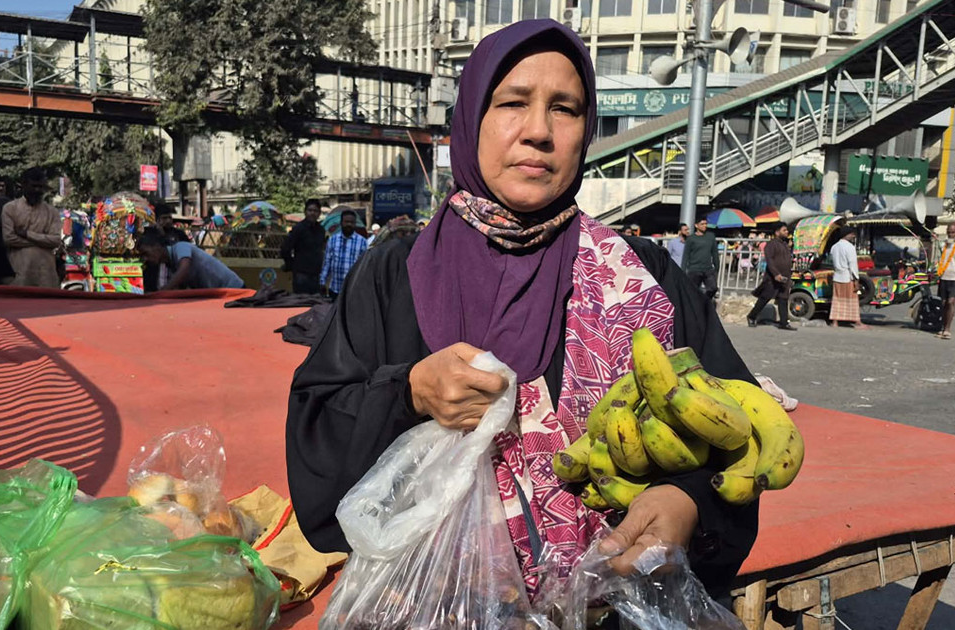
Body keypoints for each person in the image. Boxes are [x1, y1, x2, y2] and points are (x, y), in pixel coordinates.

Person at [285, 20, 757, 603]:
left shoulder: (643, 276)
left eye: (565, 109)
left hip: (609, 606)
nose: (539, 132)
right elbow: (319, 441)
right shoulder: (393, 274)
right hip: (429, 607)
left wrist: (689, 502)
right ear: (470, 121)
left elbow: (736, 431)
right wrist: (406, 393)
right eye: (512, 103)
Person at [2, 167, 62, 288]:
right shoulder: (10, 208)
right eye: (33, 186)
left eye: (40, 187)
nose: (37, 190)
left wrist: (27, 234)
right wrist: (42, 242)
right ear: (23, 185)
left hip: (46, 275)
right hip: (19, 273)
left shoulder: (52, 212)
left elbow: (55, 240)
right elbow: (9, 239)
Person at [136, 230, 244, 290]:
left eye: (146, 253)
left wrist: (163, 291)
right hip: (217, 292)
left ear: (157, 246)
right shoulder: (170, 265)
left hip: (233, 288)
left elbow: (184, 269)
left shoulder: (181, 247)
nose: (146, 259)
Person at [747, 223, 796, 330]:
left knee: (783, 299)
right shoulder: (771, 245)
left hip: (784, 277)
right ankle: (752, 316)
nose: (787, 232)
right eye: (784, 230)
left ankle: (784, 323)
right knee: (765, 298)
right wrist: (776, 274)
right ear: (777, 232)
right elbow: (770, 261)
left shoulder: (784, 245)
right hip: (773, 277)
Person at [280, 199, 326, 294]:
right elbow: (285, 248)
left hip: (316, 275)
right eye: (310, 210)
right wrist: (291, 265)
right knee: (301, 303)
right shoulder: (298, 229)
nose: (312, 213)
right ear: (305, 212)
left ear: (319, 213)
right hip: (301, 275)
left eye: (315, 211)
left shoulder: (321, 230)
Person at [319, 209, 368, 298]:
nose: (349, 224)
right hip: (335, 289)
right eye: (346, 222)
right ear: (341, 223)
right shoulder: (332, 240)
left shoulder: (363, 242)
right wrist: (322, 282)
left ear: (355, 224)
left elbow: (365, 266)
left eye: (352, 222)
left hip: (354, 290)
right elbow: (327, 263)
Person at [828, 226, 867, 329]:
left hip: (837, 277)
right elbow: (853, 264)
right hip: (847, 277)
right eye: (852, 234)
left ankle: (835, 322)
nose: (853, 236)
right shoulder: (849, 247)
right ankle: (857, 322)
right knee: (852, 300)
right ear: (847, 234)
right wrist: (856, 280)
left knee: (837, 300)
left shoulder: (834, 247)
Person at [682, 216, 720, 300]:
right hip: (694, 269)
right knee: (692, 291)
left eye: (706, 224)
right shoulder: (691, 238)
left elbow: (714, 252)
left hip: (708, 269)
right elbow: (686, 255)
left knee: (713, 288)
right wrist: (683, 270)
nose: (704, 226)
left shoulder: (710, 236)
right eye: (702, 224)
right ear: (696, 225)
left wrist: (717, 266)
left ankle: (704, 301)